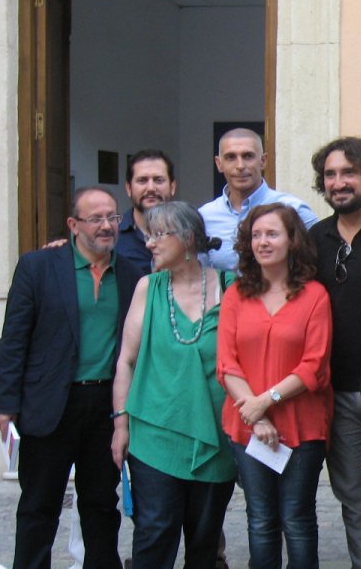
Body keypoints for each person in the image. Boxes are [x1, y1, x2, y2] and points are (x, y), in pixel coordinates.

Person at [0, 187, 143, 569]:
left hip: (106, 405)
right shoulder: (38, 267)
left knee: (100, 504)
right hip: (50, 403)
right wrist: (4, 403)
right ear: (74, 225)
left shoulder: (132, 274)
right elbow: (14, 339)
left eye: (112, 217)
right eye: (97, 219)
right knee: (39, 505)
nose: (108, 226)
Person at [109, 201, 235, 568]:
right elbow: (126, 361)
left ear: (188, 238)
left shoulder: (230, 288)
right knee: (155, 531)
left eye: (158, 234)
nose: (149, 243)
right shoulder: (148, 288)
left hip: (215, 435)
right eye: (148, 235)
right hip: (155, 433)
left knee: (205, 538)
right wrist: (120, 424)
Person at [217, 202, 333, 569]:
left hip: (302, 425)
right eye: (256, 235)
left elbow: (314, 364)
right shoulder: (236, 294)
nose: (263, 242)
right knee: (261, 519)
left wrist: (264, 401)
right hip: (247, 425)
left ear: (291, 240)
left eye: (272, 234)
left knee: (297, 519)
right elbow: (226, 363)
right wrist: (255, 416)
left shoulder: (315, 295)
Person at [308, 137, 361, 569]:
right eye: (330, 175)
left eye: (348, 173)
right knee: (356, 501)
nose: (338, 183)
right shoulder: (314, 237)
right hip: (338, 391)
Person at [200, 128, 319, 271]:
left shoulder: (294, 209)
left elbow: (317, 261)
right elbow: (200, 276)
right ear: (219, 164)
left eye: (248, 156)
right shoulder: (204, 217)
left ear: (263, 161)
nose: (240, 166)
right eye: (231, 157)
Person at [117, 149, 178, 270]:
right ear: (129, 188)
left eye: (158, 180)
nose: (151, 188)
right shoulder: (113, 236)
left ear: (172, 187)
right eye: (142, 180)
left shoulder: (187, 234)